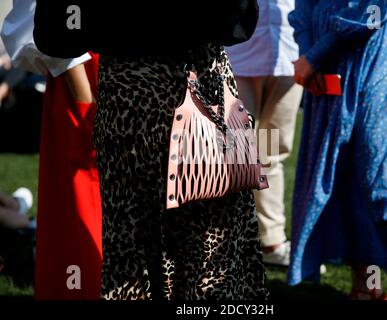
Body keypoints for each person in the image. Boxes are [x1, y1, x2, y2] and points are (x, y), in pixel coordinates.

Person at [33, 1, 268, 300]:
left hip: (128, 94)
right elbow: (235, 21)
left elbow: (55, 34)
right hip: (190, 85)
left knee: (138, 251)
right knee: (207, 255)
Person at [288, 0, 387, 300]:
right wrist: (307, 51)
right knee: (344, 181)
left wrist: (314, 55)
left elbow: (373, 12)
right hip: (325, 75)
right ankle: (367, 283)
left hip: (375, 70)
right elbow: (302, 7)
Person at [1, 0, 102, 299]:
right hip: (87, 80)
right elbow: (52, 21)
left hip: (141, 83)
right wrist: (86, 103)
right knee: (86, 215)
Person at [226, 0, 303, 267]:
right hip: (237, 57)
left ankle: (271, 240)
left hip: (290, 58)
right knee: (235, 153)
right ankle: (228, 243)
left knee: (270, 154)